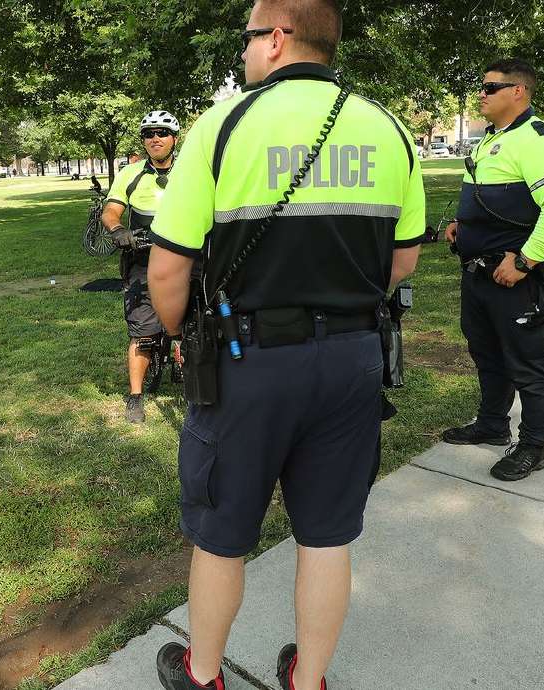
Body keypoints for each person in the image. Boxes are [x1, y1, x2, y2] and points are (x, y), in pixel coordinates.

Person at [146, 1, 424, 687]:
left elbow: (167, 268)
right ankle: (309, 679)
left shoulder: (223, 124)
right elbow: (404, 263)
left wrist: (184, 338)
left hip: (248, 364)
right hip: (354, 361)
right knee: (328, 534)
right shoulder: (389, 129)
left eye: (247, 38)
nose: (242, 52)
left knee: (222, 533)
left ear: (277, 38)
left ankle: (203, 672)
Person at [440, 58, 544, 482]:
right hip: (479, 275)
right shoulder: (491, 140)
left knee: (528, 362)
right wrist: (463, 225)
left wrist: (524, 261)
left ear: (517, 91)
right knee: (486, 353)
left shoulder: (535, 139)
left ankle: (533, 445)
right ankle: (492, 425)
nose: (481, 94)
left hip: (515, 279)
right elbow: (494, 200)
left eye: (490, 87)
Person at [101, 110, 181, 423]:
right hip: (143, 256)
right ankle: (135, 396)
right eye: (149, 134)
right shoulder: (129, 174)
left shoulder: (190, 170)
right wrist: (117, 230)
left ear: (174, 138)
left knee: (200, 319)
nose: (155, 138)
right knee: (142, 329)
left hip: (184, 256)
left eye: (162, 132)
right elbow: (111, 211)